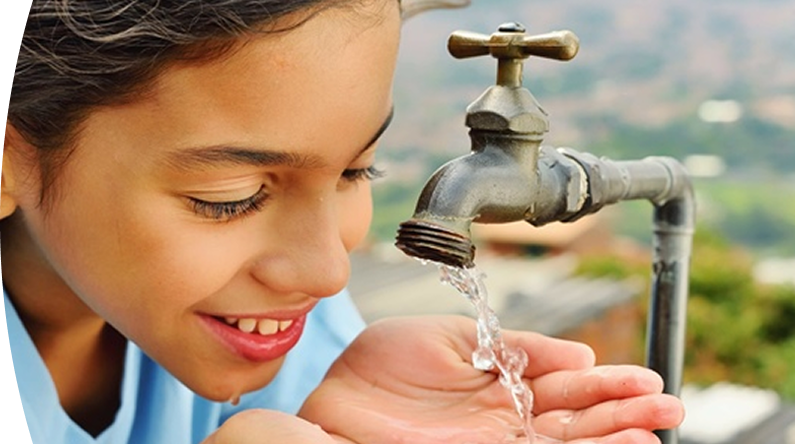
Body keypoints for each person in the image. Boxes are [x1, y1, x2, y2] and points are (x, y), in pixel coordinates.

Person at [4, 1, 684, 443]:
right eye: (230, 197)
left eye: (356, 171)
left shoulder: (303, 346)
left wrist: (319, 416)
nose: (328, 273)